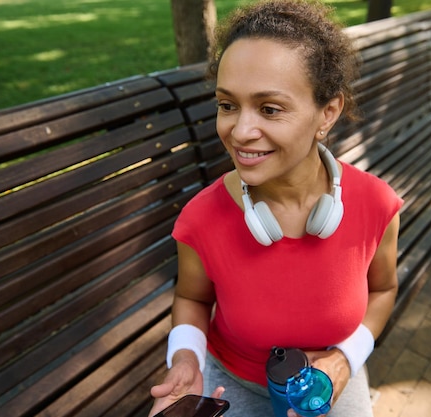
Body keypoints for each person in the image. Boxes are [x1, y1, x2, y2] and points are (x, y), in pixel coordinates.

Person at [148, 1, 403, 416]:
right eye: (228, 105)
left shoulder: (376, 205)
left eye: (269, 108)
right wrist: (185, 359)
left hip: (329, 383)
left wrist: (344, 359)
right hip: (231, 382)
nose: (241, 132)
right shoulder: (201, 218)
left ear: (328, 112)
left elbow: (384, 290)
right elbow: (191, 299)